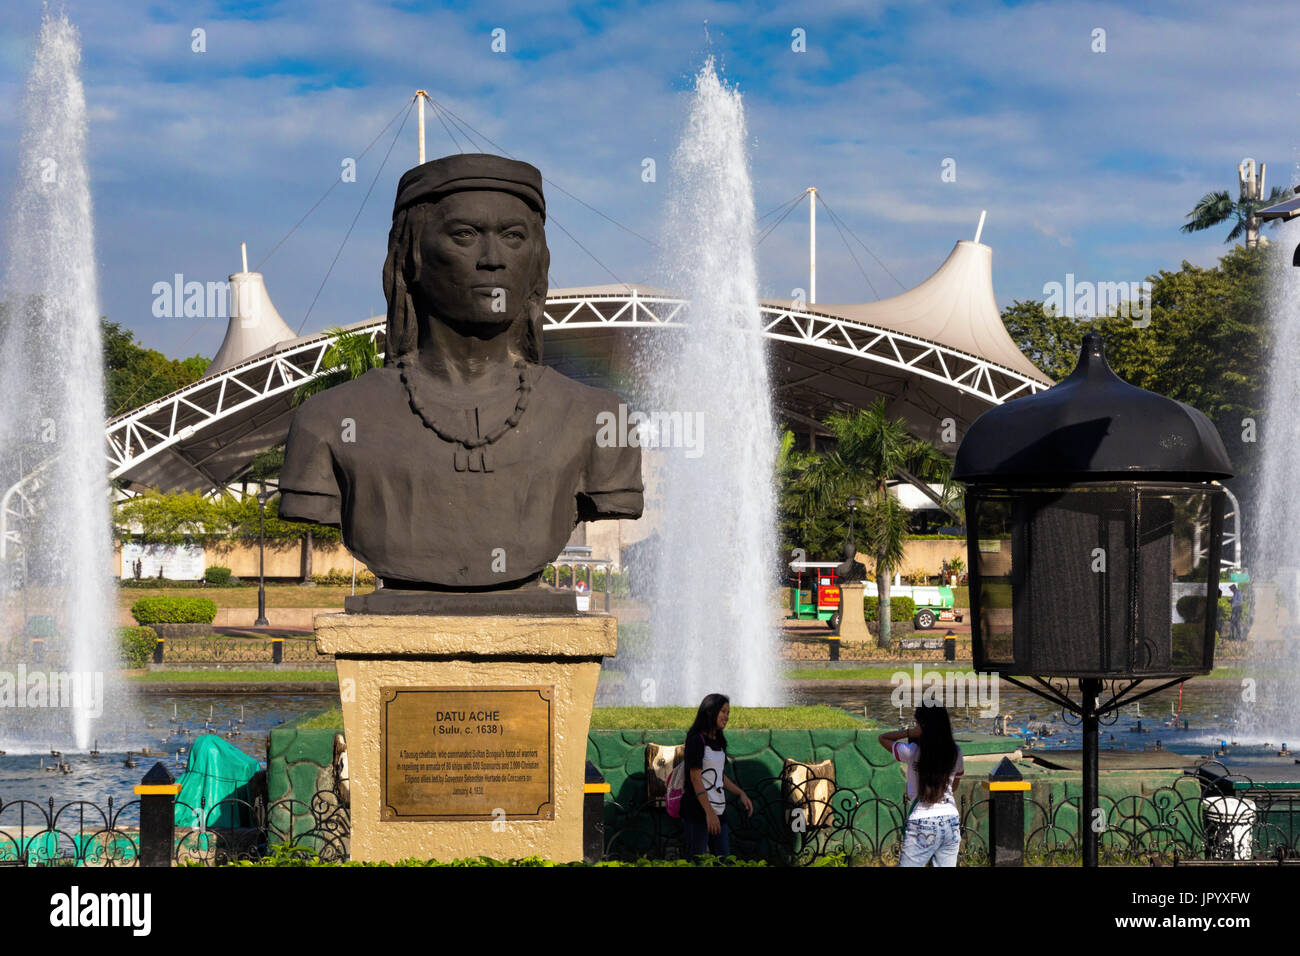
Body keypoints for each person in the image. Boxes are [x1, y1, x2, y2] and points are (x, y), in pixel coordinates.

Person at [878, 706, 964, 867]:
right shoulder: (956, 752)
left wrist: (910, 732)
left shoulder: (912, 751)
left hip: (922, 819)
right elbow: (955, 785)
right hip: (950, 818)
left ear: (921, 726)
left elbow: (883, 738)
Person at [680, 694, 753, 858]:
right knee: (697, 860)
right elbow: (695, 779)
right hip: (698, 811)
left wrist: (740, 793)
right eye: (723, 711)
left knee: (724, 859)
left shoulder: (719, 740)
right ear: (710, 712)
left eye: (728, 712)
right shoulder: (696, 740)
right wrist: (709, 813)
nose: (726, 717)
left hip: (719, 809)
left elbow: (720, 776)